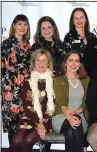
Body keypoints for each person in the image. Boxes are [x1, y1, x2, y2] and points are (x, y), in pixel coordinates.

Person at [9, 48, 56, 152]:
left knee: (28, 139)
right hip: (30, 116)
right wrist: (37, 123)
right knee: (17, 140)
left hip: (47, 118)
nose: (41, 63)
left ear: (49, 63)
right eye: (38, 60)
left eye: (44, 60)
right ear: (34, 63)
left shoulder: (55, 78)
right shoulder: (28, 80)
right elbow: (27, 105)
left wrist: (42, 123)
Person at [1, 14, 32, 145]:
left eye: (25, 24)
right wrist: (6, 90)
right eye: (19, 24)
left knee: (25, 126)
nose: (22, 27)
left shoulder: (28, 45)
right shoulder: (6, 44)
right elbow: (3, 69)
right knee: (13, 127)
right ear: (13, 25)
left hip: (26, 90)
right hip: (11, 90)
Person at [52, 51, 90, 152]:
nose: (73, 64)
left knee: (71, 130)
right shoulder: (58, 80)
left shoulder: (86, 80)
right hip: (61, 116)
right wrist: (69, 117)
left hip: (80, 115)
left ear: (80, 64)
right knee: (74, 126)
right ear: (65, 63)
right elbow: (61, 101)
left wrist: (79, 110)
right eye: (71, 60)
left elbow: (87, 100)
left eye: (77, 61)